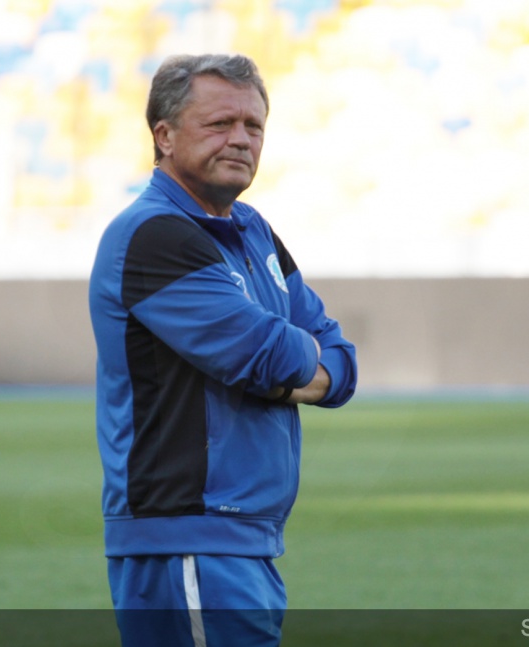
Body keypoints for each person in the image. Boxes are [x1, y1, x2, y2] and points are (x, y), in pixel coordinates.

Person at [88, 53, 357, 647]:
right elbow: (273, 357)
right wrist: (295, 362)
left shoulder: (253, 229)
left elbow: (341, 361)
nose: (240, 139)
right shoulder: (154, 235)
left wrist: (294, 365)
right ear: (164, 136)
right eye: (219, 124)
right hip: (188, 537)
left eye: (253, 126)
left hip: (240, 539)